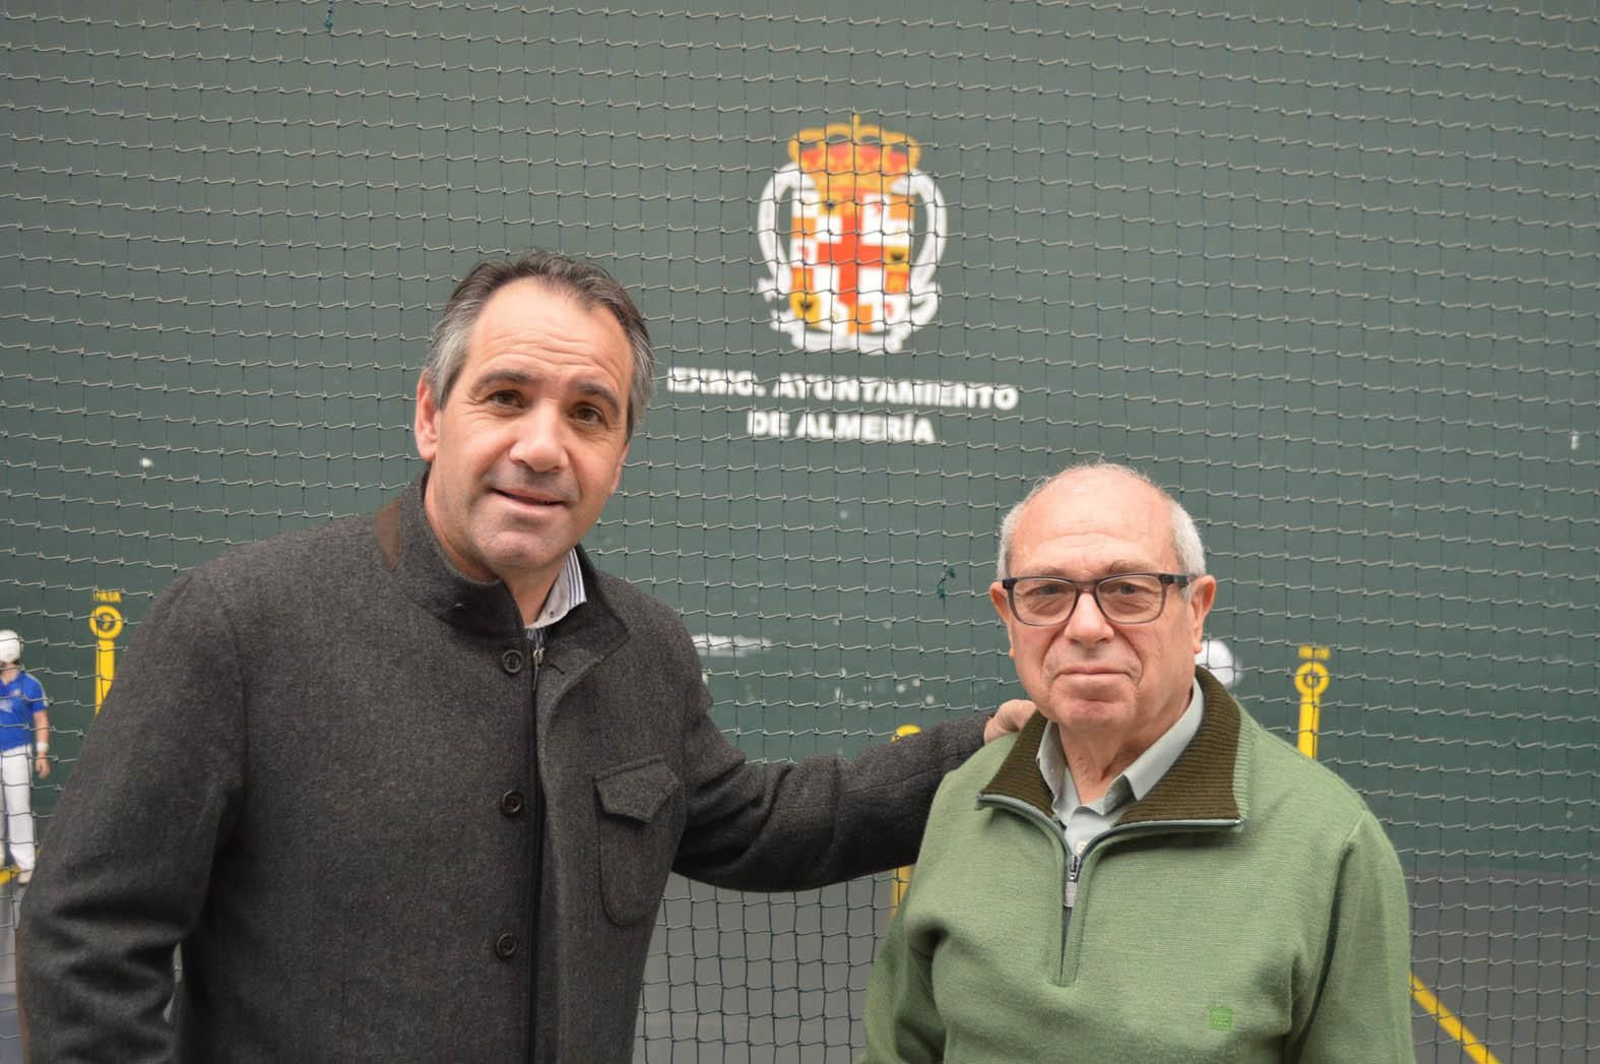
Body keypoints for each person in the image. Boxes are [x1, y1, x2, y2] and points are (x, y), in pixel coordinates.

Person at [18, 250, 1026, 1062]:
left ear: (621, 456)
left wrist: (981, 746)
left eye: (589, 412)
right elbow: (86, 939)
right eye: (506, 396)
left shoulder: (646, 648)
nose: (544, 446)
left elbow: (752, 822)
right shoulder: (238, 623)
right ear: (429, 415)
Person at [862, 463, 1414, 1063]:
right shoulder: (965, 796)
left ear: (1196, 610)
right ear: (1007, 615)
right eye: (1047, 592)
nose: (1088, 626)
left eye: (1128, 589)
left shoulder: (1330, 843)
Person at [0, 629, 51, 884]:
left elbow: (41, 719)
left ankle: (26, 862)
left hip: (17, 754)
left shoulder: (31, 684)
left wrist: (41, 754)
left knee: (18, 809)